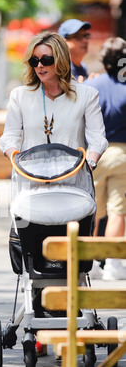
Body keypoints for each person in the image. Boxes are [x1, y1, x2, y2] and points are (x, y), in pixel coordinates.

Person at [0, 31, 108, 356]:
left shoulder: (86, 95)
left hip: (72, 190)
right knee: (36, 261)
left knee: (71, 263)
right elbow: (9, 138)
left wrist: (89, 160)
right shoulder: (21, 95)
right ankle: (37, 320)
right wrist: (14, 156)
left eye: (46, 59)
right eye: (34, 60)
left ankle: (75, 318)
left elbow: (97, 138)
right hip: (31, 188)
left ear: (60, 60)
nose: (39, 65)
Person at [84, 37, 126, 280]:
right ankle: (112, 263)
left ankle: (90, 262)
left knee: (92, 210)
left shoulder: (93, 85)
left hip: (95, 153)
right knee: (118, 210)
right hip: (122, 153)